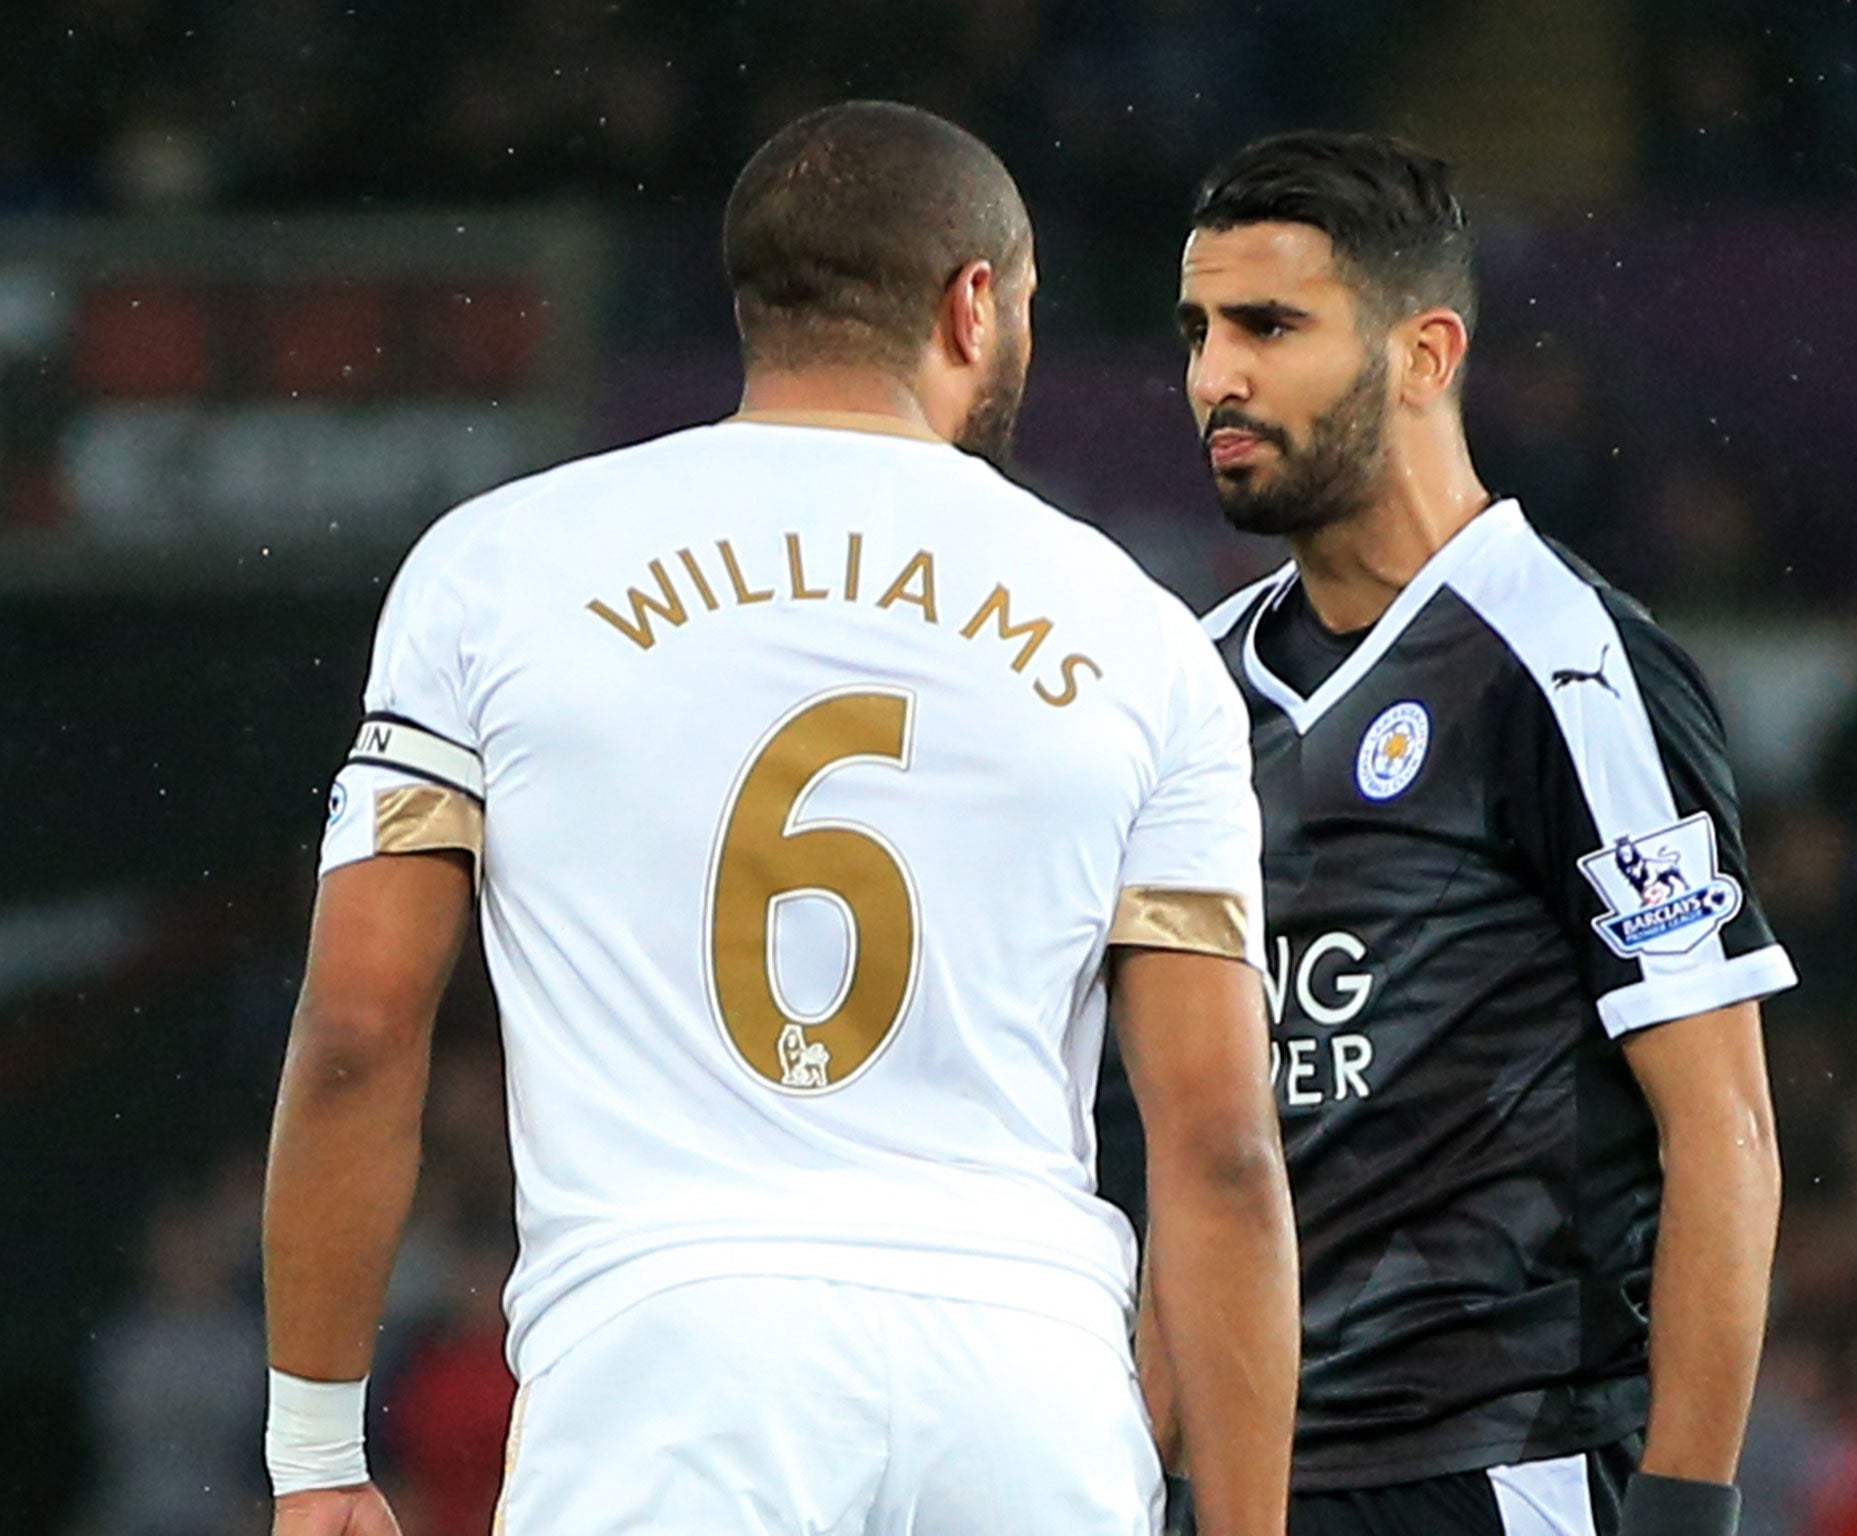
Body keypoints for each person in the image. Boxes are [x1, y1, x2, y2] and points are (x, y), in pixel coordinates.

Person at [262, 101, 1297, 1536]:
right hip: (1023, 1377)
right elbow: (1223, 1153)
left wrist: (315, 1451)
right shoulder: (1139, 634)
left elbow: (362, 1029)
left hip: (669, 1368)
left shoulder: (497, 570)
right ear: (974, 303)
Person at [1145, 129, 1795, 1536]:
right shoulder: (1182, 686)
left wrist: (1685, 1513)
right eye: (1198, 330)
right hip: (1238, 1492)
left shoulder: (1565, 665)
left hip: (1500, 1475)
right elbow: (1171, 1151)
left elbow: (1723, 1125)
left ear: (1426, 354)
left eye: (1270, 325)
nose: (1217, 378)